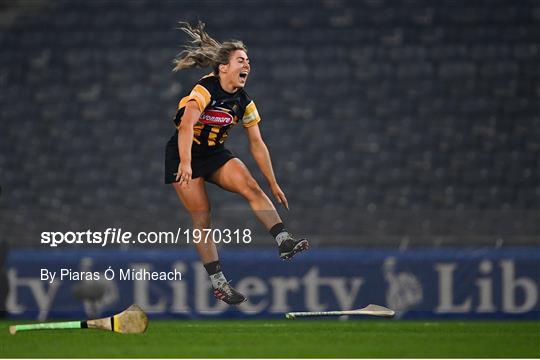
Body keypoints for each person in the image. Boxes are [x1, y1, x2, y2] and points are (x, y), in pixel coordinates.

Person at [165, 21, 309, 305]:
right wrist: (184, 163)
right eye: (241, 60)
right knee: (202, 216)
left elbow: (257, 143)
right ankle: (219, 283)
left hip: (214, 153)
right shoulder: (205, 89)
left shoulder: (243, 101)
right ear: (223, 67)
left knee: (252, 186)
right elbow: (185, 126)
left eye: (248, 61)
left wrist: (273, 182)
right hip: (184, 153)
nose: (247, 65)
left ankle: (284, 241)